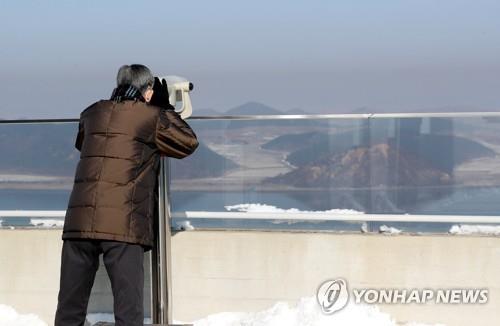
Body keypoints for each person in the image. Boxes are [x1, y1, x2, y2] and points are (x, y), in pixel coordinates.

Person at [54, 64, 199, 326]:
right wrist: (164, 108)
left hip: (79, 223)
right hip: (123, 225)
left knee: (70, 307)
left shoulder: (91, 112)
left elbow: (84, 143)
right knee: (128, 309)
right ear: (148, 92)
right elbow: (188, 142)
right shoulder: (151, 117)